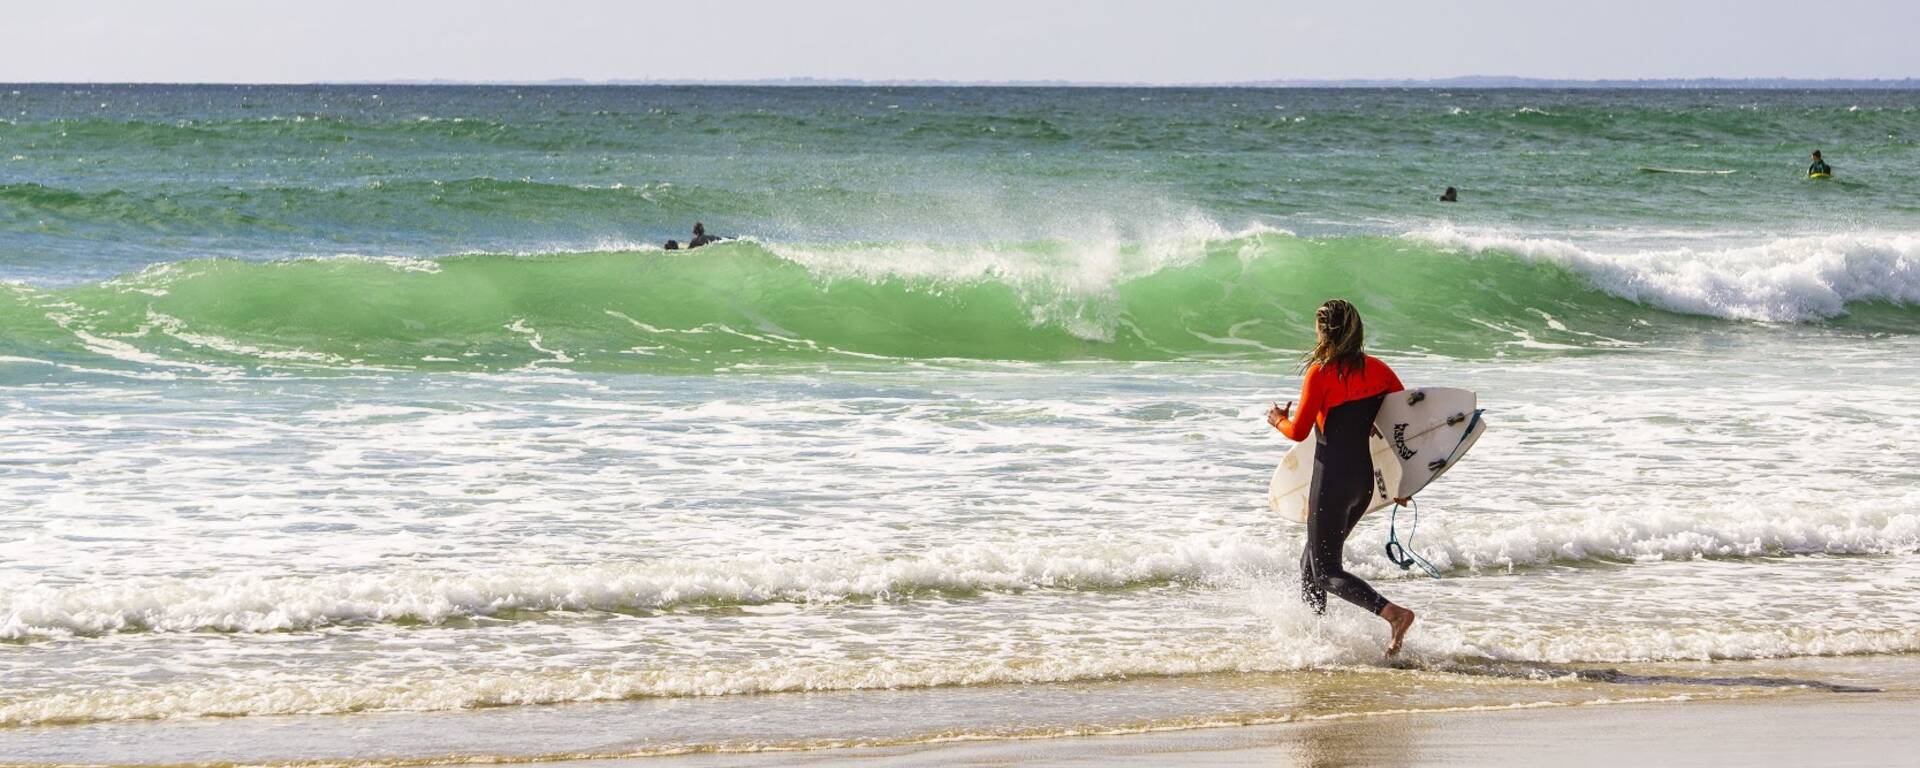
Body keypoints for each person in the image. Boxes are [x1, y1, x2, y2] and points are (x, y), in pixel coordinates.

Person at [1265, 299, 1418, 655]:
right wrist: (1404, 481)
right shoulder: (1380, 370)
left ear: (1324, 332)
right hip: (1362, 483)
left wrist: (1276, 419)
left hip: (1332, 479)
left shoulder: (1321, 372)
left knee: (1325, 570)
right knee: (1312, 563)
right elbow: (1401, 428)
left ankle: (1393, 614)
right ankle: (1316, 640)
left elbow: (1298, 432)